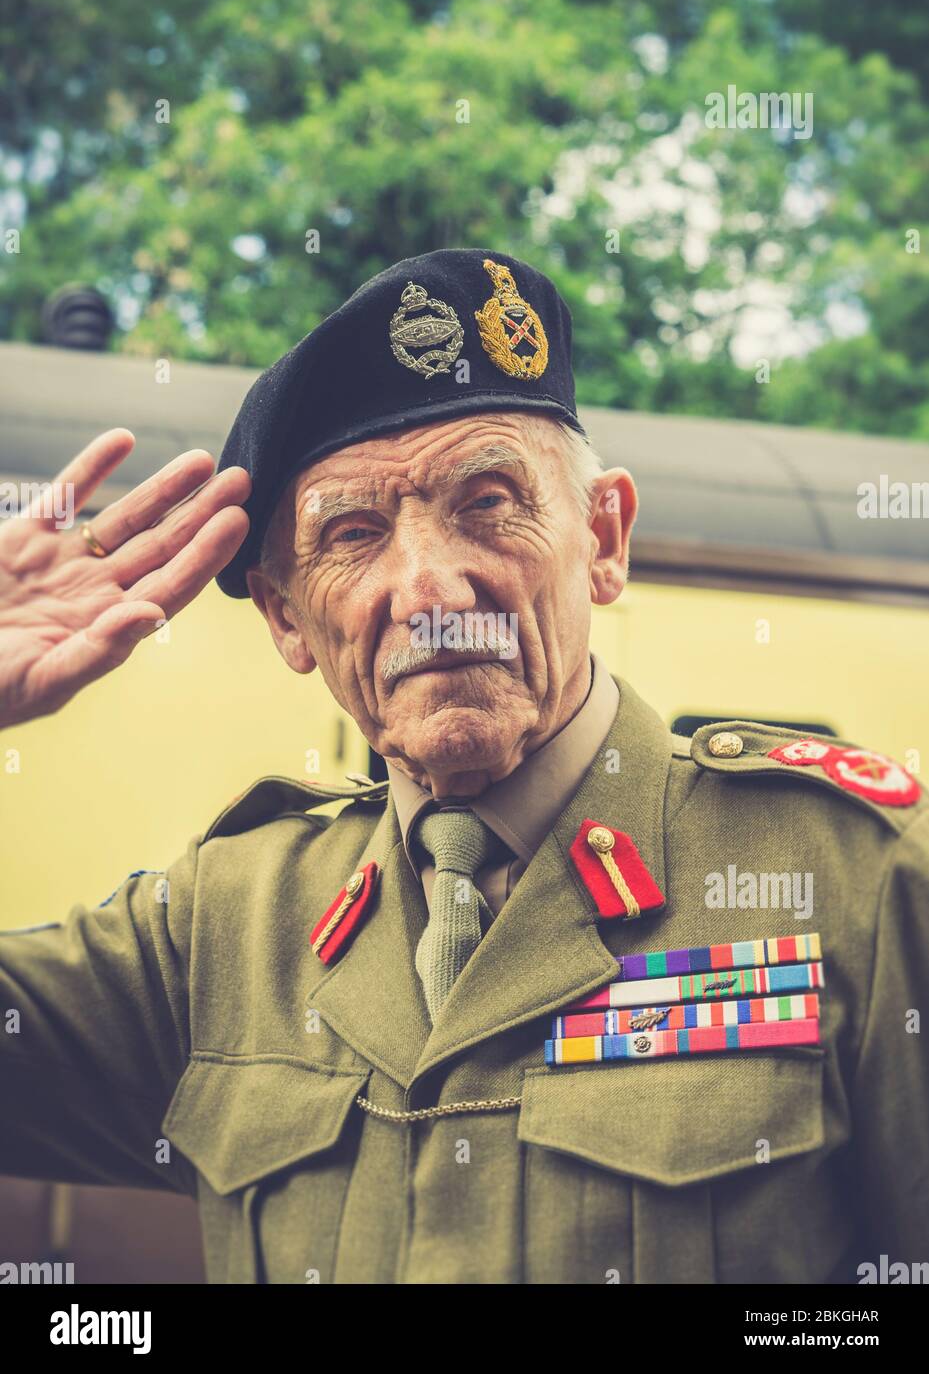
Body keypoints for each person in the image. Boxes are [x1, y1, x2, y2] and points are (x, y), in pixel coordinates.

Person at [1, 249, 926, 1285]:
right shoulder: (223, 925)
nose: (427, 585)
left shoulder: (859, 880)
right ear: (286, 617)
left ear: (603, 538)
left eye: (486, 501)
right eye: (352, 533)